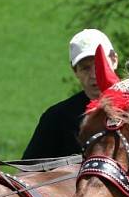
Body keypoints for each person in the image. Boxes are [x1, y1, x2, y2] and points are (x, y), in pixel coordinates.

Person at [23, 29, 119, 159]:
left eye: (99, 64)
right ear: (75, 71)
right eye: (85, 68)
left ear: (114, 60)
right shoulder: (56, 118)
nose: (93, 75)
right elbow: (27, 174)